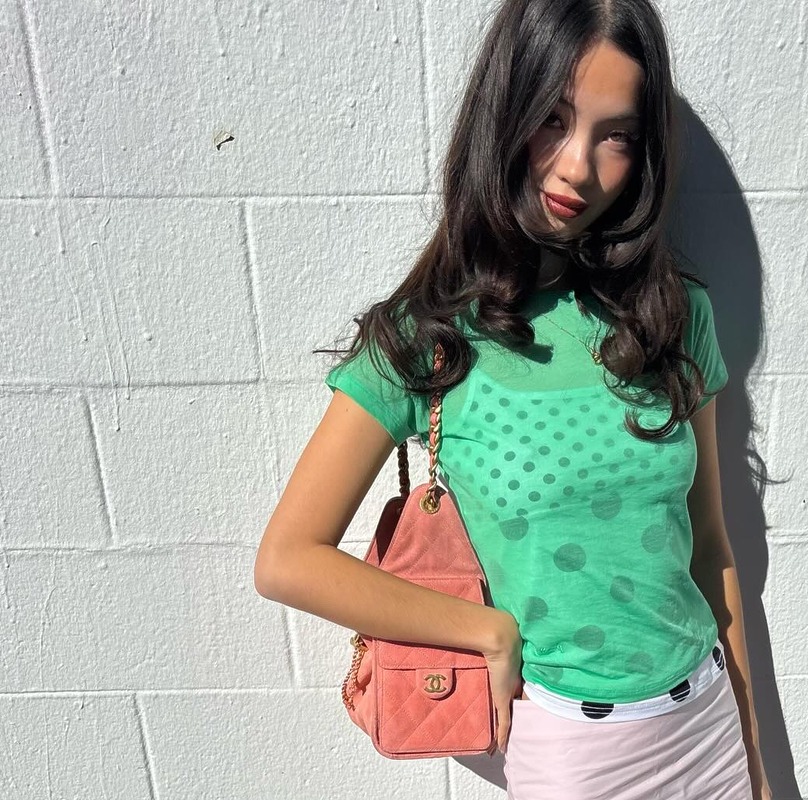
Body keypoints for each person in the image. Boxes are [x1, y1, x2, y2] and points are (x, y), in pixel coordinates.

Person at [254, 0, 774, 797]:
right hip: (574, 755)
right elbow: (288, 559)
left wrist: (755, 759)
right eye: (552, 120)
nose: (577, 168)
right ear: (506, 110)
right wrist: (486, 632)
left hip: (706, 724)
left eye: (616, 136)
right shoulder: (427, 338)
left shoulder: (674, 314)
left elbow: (711, 546)